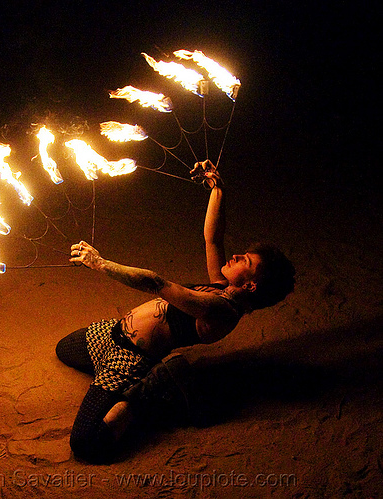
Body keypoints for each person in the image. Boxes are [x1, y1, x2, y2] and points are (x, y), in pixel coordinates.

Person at [56, 159, 295, 462]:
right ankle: (138, 381)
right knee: (63, 349)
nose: (235, 256)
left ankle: (143, 393)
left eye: (244, 262)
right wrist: (217, 188)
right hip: (112, 333)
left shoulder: (221, 310)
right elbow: (213, 237)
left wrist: (100, 263)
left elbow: (155, 282)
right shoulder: (222, 286)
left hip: (129, 360)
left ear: (250, 286)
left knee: (86, 443)